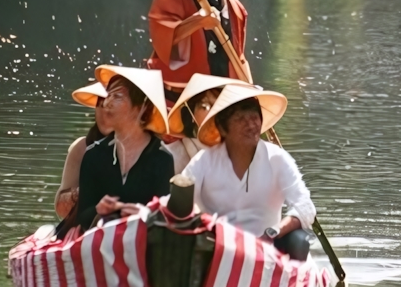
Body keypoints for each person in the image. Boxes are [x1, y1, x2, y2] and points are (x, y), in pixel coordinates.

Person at [185, 84, 316, 260]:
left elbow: (305, 206)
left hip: (267, 252)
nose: (251, 124)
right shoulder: (205, 161)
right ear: (223, 128)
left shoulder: (276, 158)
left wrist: (274, 231)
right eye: (241, 118)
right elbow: (178, 197)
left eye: (254, 117)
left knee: (298, 240)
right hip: (217, 253)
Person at [61, 66, 176, 238]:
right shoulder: (94, 154)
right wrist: (98, 210)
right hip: (98, 246)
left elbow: (165, 218)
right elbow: (83, 216)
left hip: (142, 245)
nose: (107, 104)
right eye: (109, 96)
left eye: (118, 97)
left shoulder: (162, 158)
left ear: (141, 107)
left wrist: (144, 214)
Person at [154, 74, 252, 172]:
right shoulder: (170, 158)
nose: (216, 113)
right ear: (192, 112)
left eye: (225, 107)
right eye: (206, 106)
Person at [54, 80, 111, 220]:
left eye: (110, 106)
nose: (104, 112)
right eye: (100, 104)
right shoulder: (82, 147)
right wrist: (81, 193)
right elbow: (60, 209)